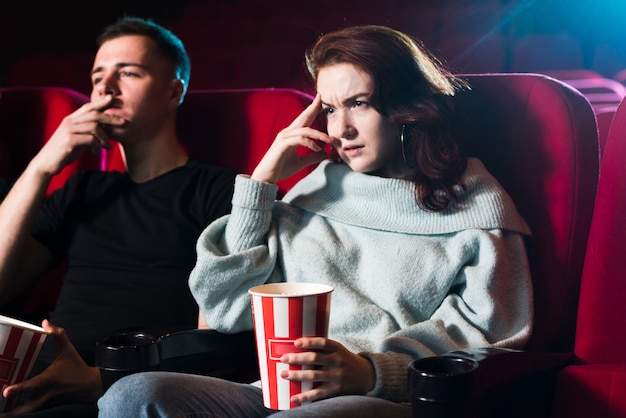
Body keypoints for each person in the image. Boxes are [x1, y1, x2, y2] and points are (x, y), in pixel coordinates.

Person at [98, 25, 533, 417]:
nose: (341, 128)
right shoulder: (313, 193)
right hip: (275, 394)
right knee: (132, 394)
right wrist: (263, 179)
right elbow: (223, 309)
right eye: (329, 108)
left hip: (382, 398)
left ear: (408, 107)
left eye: (359, 104)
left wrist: (368, 371)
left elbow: (487, 343)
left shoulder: (476, 206)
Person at [0, 17, 235, 417]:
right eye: (97, 77)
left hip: (138, 382)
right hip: (45, 369)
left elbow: (218, 337)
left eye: (128, 72)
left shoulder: (219, 190)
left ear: (173, 91)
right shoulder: (83, 190)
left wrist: (98, 379)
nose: (105, 89)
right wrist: (42, 166)